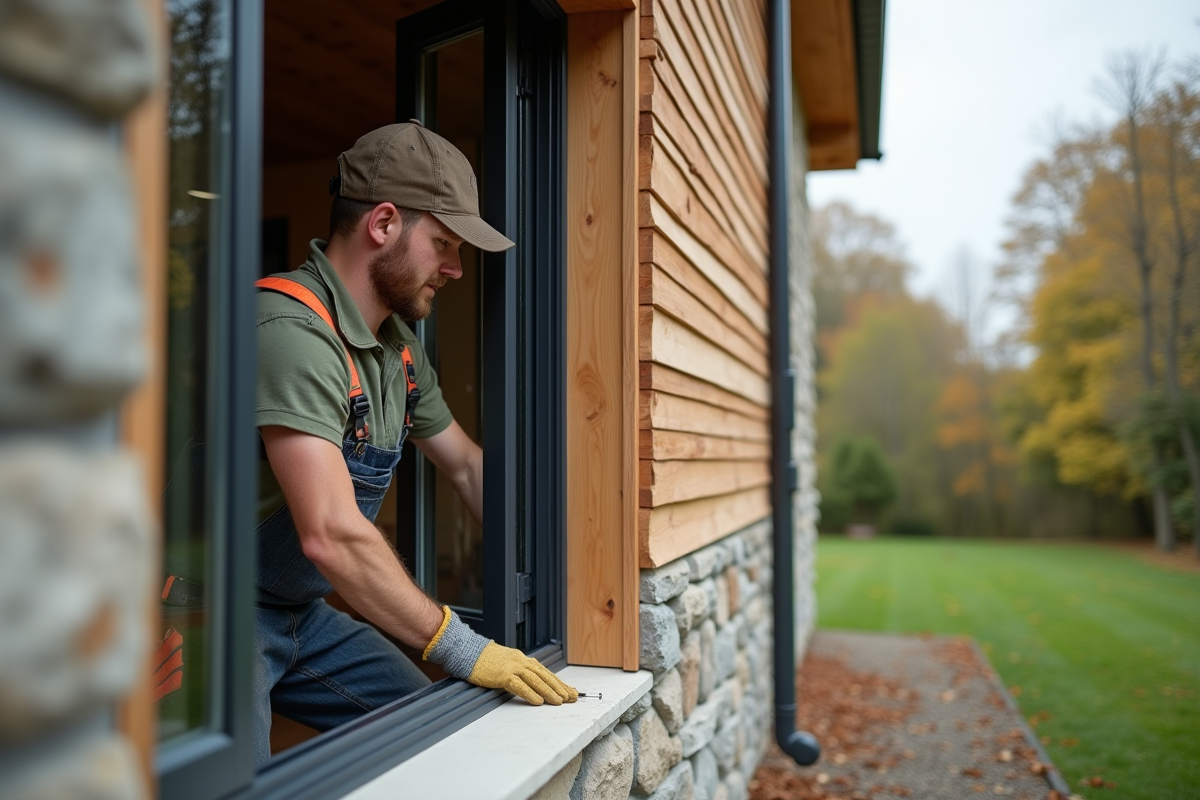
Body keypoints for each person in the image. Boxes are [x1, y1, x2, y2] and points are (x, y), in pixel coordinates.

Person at [251, 121, 576, 765]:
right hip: (203, 613)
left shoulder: (398, 352)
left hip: (300, 613)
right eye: (444, 244)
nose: (455, 269)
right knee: (227, 782)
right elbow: (332, 534)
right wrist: (465, 647)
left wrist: (566, 575)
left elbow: (466, 468)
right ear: (384, 223)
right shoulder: (288, 330)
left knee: (441, 733)